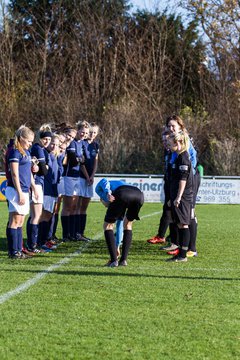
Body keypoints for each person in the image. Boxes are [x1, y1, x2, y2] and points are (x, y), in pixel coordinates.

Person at [160, 115, 199, 257]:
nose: (170, 128)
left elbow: (190, 164)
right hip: (178, 181)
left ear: (180, 127)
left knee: (190, 215)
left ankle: (191, 248)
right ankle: (178, 245)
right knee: (179, 216)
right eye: (168, 126)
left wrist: (186, 179)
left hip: (188, 181)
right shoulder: (171, 143)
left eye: (173, 126)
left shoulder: (184, 144)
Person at [5, 125, 38, 259]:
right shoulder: (15, 152)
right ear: (21, 138)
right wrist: (19, 192)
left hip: (25, 190)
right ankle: (14, 251)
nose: (30, 144)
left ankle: (18, 249)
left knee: (21, 221)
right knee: (15, 220)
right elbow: (14, 174)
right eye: (29, 141)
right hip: (15, 190)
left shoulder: (26, 152)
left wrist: (34, 187)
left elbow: (28, 173)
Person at [95, 178, 144, 267]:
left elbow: (104, 180)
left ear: (101, 199)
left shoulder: (100, 191)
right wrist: (117, 246)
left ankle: (114, 261)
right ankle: (123, 260)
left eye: (104, 205)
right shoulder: (118, 187)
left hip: (122, 194)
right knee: (127, 224)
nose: (106, 207)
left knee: (107, 226)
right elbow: (119, 225)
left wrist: (107, 193)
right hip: (138, 195)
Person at [166, 131, 194, 262]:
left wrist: (178, 197)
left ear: (178, 143)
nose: (168, 146)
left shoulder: (183, 158)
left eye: (170, 144)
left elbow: (183, 179)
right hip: (177, 195)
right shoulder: (178, 156)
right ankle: (180, 254)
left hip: (182, 197)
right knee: (179, 224)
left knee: (183, 224)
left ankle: (183, 255)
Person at [26, 124, 52, 252]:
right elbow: (44, 170)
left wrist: (45, 167)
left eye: (49, 139)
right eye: (45, 139)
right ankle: (32, 245)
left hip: (38, 183)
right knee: (36, 215)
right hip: (36, 184)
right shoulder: (38, 149)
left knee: (34, 215)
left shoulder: (41, 149)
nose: (47, 141)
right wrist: (45, 167)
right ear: (39, 138)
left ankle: (31, 244)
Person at [76, 122, 100, 241]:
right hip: (81, 177)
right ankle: (75, 233)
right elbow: (81, 163)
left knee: (84, 206)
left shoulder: (96, 145)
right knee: (77, 205)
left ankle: (81, 232)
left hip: (90, 178)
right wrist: (87, 176)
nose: (92, 134)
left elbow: (95, 161)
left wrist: (92, 175)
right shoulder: (82, 143)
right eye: (90, 132)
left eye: (95, 132)